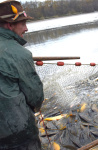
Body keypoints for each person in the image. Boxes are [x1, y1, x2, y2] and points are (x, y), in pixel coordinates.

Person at [0, 0, 44, 149]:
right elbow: (36, 98)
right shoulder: (20, 54)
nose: (26, 28)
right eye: (22, 23)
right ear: (9, 25)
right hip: (18, 135)